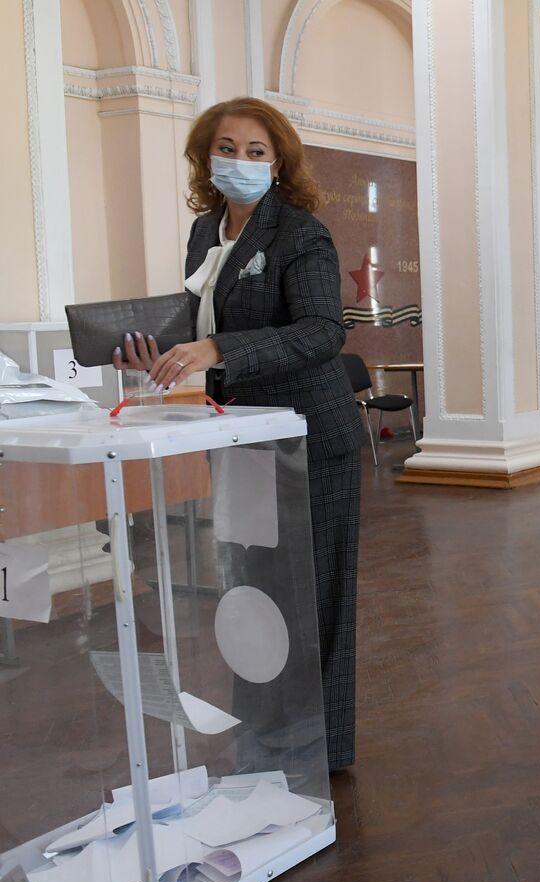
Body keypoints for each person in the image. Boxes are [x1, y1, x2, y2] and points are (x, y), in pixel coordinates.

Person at [115, 97, 364, 771]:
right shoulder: (205, 232)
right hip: (243, 440)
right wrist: (158, 353)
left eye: (256, 152)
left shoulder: (300, 234)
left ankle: (323, 745)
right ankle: (264, 731)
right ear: (206, 159)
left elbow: (321, 332)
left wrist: (221, 349)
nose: (241, 162)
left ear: (278, 164)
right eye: (227, 148)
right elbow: (199, 327)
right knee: (253, 591)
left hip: (312, 440)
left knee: (315, 596)